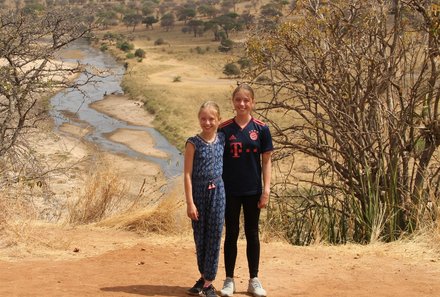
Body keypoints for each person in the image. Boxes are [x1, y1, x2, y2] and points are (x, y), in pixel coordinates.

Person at [219, 84, 273, 297]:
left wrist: (266, 189)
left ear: (253, 103)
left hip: (253, 190)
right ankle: (229, 280)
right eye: (238, 100)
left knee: (252, 234)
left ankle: (254, 279)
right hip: (230, 190)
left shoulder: (261, 129)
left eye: (246, 100)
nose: (242, 104)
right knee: (231, 234)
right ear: (233, 102)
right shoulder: (224, 129)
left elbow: (267, 161)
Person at [184, 101, 226, 297]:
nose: (207, 122)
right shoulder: (193, 143)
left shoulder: (222, 140)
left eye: (211, 119)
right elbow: (187, 174)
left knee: (215, 236)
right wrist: (190, 203)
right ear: (199, 119)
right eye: (203, 119)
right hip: (199, 194)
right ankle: (203, 276)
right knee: (200, 237)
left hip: (218, 192)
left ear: (218, 120)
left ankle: (209, 282)